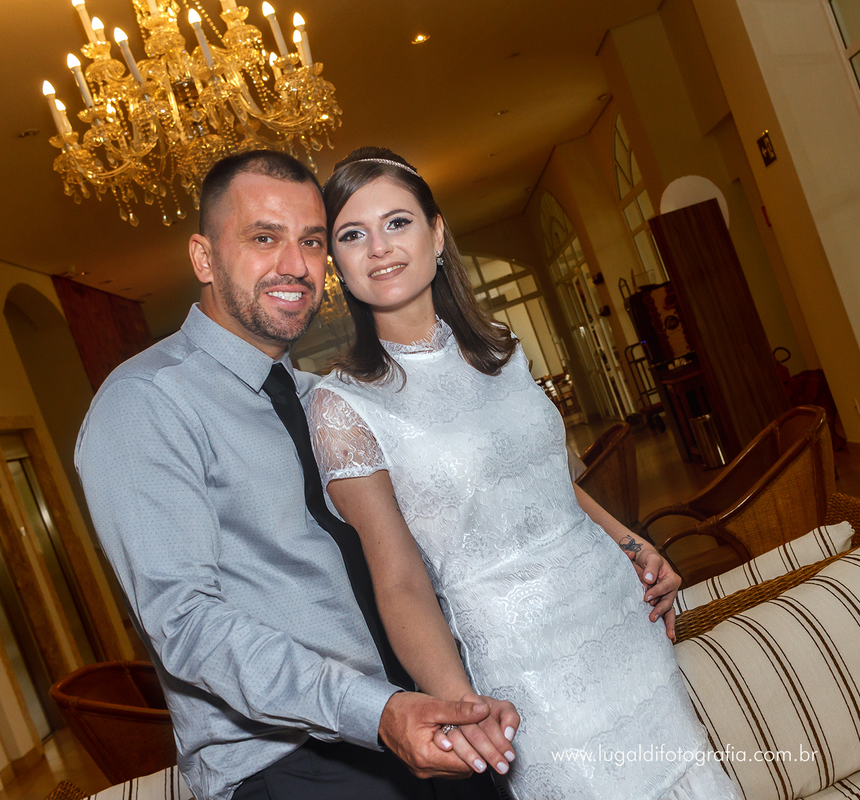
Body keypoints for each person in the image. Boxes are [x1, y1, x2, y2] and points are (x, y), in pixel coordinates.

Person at [75, 150, 516, 800]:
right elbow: (186, 623)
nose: (294, 265)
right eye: (263, 237)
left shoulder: (325, 400)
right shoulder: (145, 402)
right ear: (203, 258)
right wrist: (378, 713)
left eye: (311, 241)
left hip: (423, 719)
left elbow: (426, 547)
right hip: (288, 767)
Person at [306, 147, 741, 799]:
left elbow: (549, 482)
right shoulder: (343, 405)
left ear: (438, 231)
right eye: (352, 234)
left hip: (622, 621)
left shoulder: (500, 350)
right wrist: (462, 706)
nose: (380, 248)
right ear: (336, 261)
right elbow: (398, 581)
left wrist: (633, 542)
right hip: (526, 665)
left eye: (398, 222)